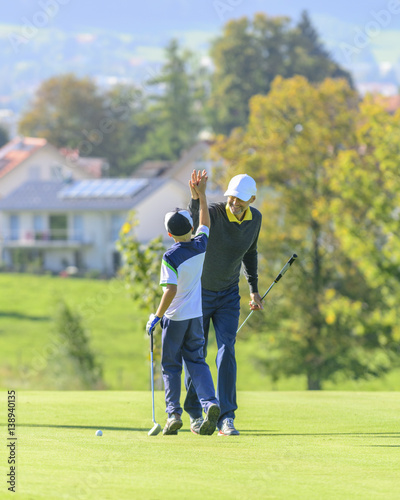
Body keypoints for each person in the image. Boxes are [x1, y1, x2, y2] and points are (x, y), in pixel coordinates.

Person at [184, 171, 263, 436]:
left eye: (241, 199)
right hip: (201, 292)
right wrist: (198, 196)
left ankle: (226, 417)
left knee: (227, 349)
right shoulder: (216, 213)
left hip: (229, 294)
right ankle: (196, 412)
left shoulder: (256, 220)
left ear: (251, 198)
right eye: (232, 197)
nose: (235, 202)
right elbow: (196, 222)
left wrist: (253, 290)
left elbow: (249, 253)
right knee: (198, 351)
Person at [146, 170, 220, 436]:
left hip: (175, 318)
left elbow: (170, 289)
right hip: (196, 317)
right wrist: (201, 197)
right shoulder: (200, 243)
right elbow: (205, 222)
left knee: (171, 366)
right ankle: (210, 402)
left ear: (169, 233)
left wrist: (156, 316)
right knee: (197, 362)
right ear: (189, 228)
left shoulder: (170, 256)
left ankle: (173, 414)